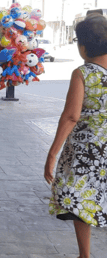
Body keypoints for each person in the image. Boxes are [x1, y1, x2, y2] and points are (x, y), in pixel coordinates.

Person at [44, 13, 107, 258]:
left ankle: (85, 254)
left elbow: (71, 116)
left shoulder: (84, 73)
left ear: (82, 47)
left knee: (81, 200)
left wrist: (52, 154)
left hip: (85, 152)